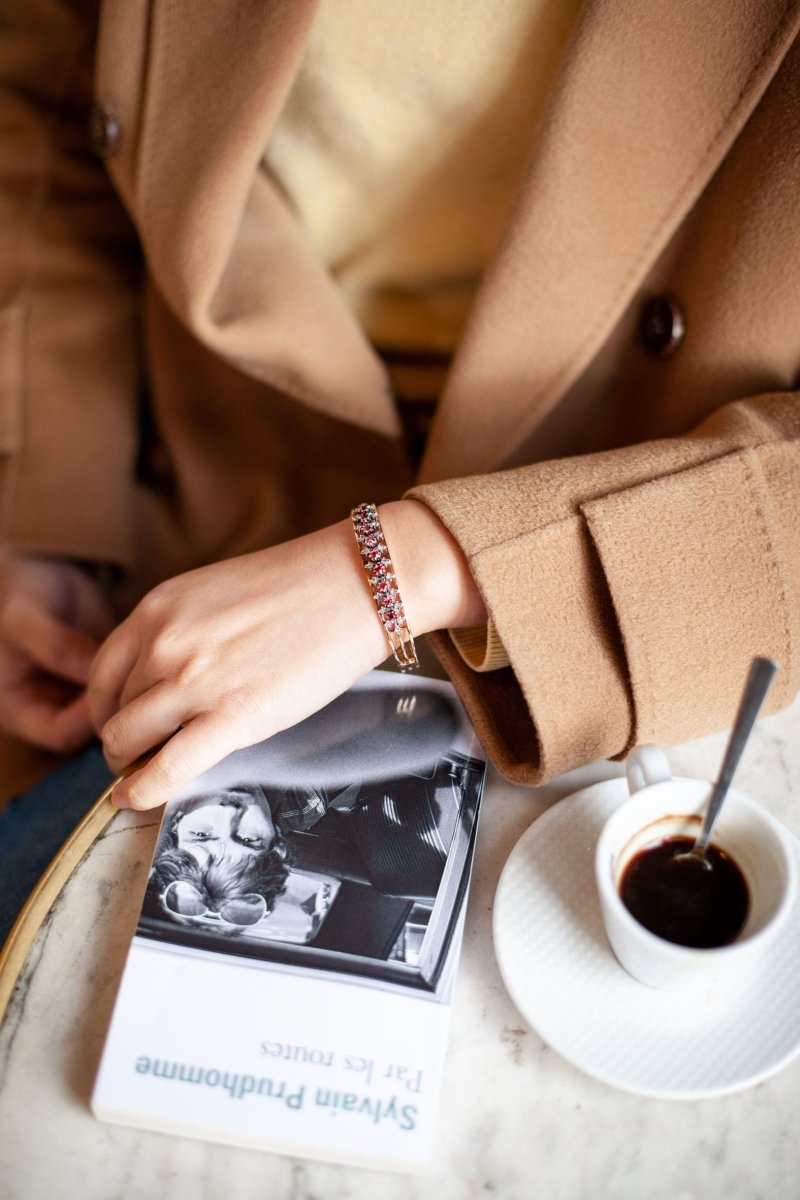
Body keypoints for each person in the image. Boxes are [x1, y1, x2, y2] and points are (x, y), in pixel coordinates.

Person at [1, 2, 799, 889]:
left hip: (633, 599)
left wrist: (402, 567)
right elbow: (49, 105)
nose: (213, 846)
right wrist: (48, 503)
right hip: (201, 504)